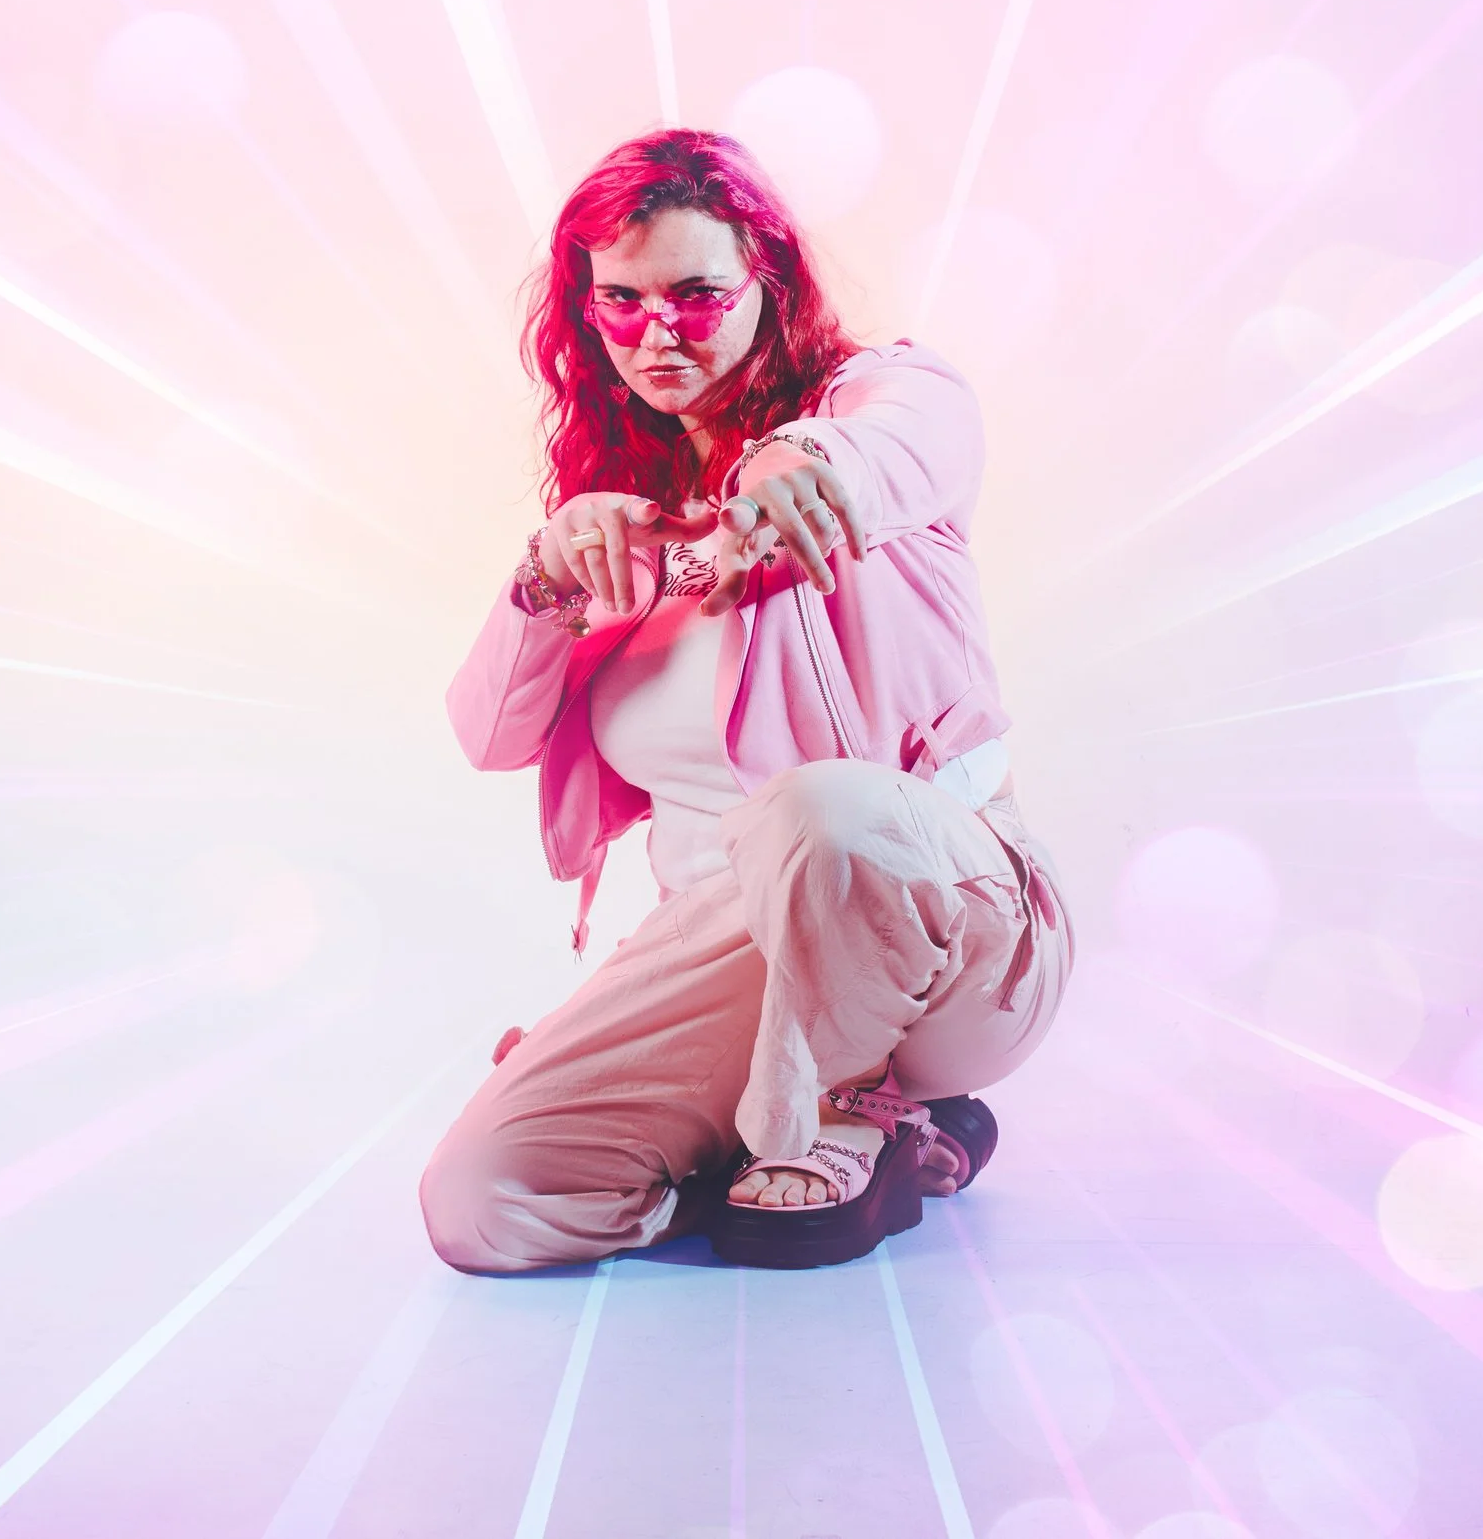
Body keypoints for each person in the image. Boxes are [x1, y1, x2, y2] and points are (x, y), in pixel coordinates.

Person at [420, 128, 1072, 1273]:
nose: (657, 331)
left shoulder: (891, 395)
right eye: (618, 301)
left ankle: (848, 1107)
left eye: (695, 292)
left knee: (816, 812)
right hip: (734, 951)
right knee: (483, 1201)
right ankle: (805, 1138)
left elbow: (887, 452)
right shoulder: (628, 528)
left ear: (767, 283)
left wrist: (793, 475)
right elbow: (488, 735)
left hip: (960, 937)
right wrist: (544, 578)